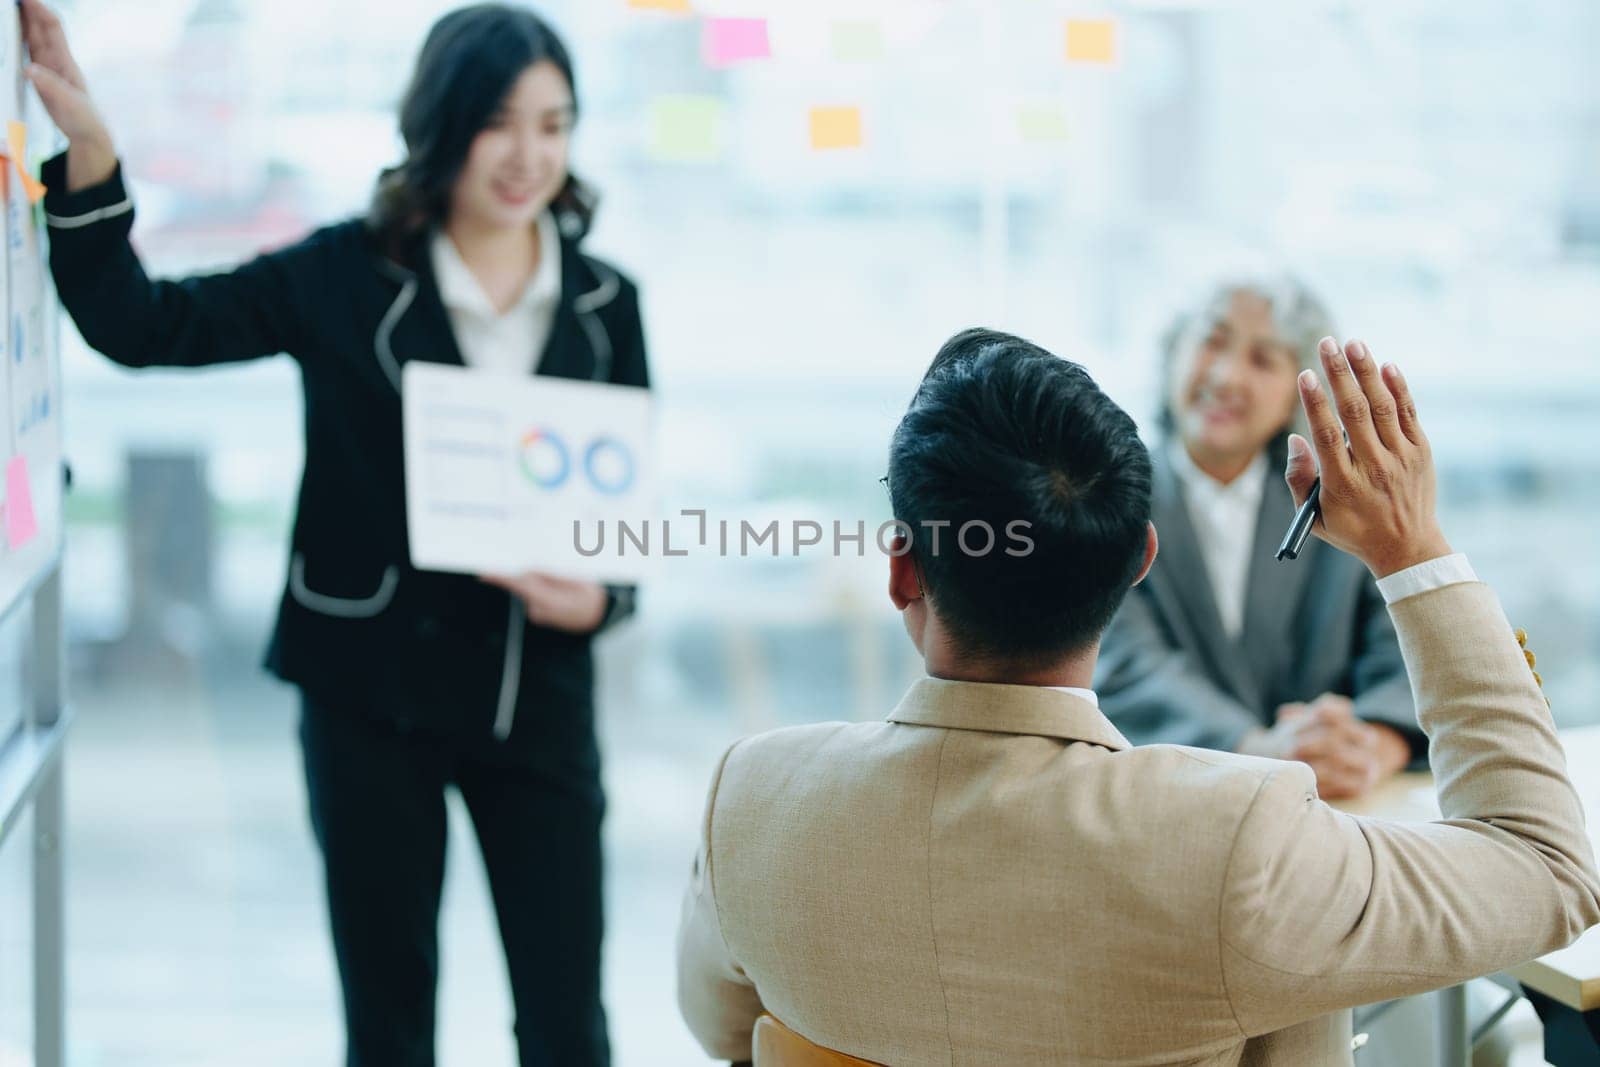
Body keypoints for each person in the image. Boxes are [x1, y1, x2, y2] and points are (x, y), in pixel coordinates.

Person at [676, 327, 1598, 1064]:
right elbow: (1548, 867)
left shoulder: (750, 799)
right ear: (1138, 565)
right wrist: (1414, 547)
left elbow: (725, 1031)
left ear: (903, 570)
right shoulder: (1236, 846)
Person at [23, 2, 646, 1063]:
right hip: (370, 694)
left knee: (566, 1023)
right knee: (388, 1026)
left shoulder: (604, 301)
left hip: (534, 695)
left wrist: (606, 597)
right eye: (501, 122)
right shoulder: (342, 274)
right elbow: (142, 325)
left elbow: (623, 520)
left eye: (554, 123)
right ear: (441, 126)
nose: (529, 154)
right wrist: (89, 158)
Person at [1095, 279, 1419, 799]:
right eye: (1212, 342)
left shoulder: (1338, 503)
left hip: (1335, 810)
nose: (1225, 377)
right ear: (1173, 351)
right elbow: (1124, 662)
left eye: (1263, 360)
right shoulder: (1108, 496)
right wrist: (1255, 750)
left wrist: (1372, 747)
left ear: (1300, 390)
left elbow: (1403, 644)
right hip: (1171, 802)